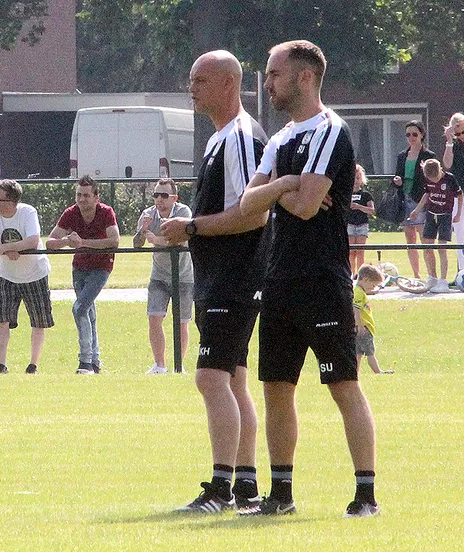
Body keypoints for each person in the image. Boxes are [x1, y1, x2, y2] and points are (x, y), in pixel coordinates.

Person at [239, 40, 379, 518]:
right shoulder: (280, 138)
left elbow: (304, 206)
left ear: (304, 77)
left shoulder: (330, 129)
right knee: (276, 387)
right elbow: (248, 204)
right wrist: (285, 183)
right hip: (278, 280)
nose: (268, 83)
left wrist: (280, 191)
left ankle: (366, 495)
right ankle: (280, 496)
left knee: (343, 384)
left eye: (274, 74)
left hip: (322, 281)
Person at [160, 50, 267, 515]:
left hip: (234, 277)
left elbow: (252, 213)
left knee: (209, 378)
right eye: (190, 79)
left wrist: (192, 227)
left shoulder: (240, 136)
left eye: (200, 80)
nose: (191, 88)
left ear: (228, 84)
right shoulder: (219, 138)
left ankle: (220, 490)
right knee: (234, 380)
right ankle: (246, 487)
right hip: (218, 276)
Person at [0, 179, 53, 375]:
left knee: (38, 321)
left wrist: (4, 248)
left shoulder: (28, 212)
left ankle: (33, 366)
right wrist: (4, 249)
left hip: (35, 273)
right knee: (2, 319)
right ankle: (1, 365)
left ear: (10, 202)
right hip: (7, 275)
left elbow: (33, 241)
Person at [46, 175, 119, 374]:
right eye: (79, 195)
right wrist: (66, 241)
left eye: (86, 195)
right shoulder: (70, 213)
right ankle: (95, 362)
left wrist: (82, 243)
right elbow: (50, 242)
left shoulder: (106, 212)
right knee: (88, 312)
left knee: (79, 308)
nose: (81, 199)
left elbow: (114, 240)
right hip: (79, 267)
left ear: (96, 197)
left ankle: (85, 361)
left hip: (101, 266)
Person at [133, 178, 193, 375]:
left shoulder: (183, 213)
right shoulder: (148, 214)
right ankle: (159, 365)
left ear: (174, 198)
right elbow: (136, 244)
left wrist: (157, 240)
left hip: (183, 275)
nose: (159, 199)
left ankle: (178, 366)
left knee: (182, 322)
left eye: (164, 195)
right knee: (154, 318)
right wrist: (142, 231)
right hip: (158, 275)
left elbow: (182, 240)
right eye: (156, 195)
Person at [408, 159, 462, 292]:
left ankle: (443, 281)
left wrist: (458, 214)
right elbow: (427, 194)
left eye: (436, 178)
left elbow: (460, 195)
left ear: (440, 170)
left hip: (445, 215)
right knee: (427, 246)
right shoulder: (427, 179)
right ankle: (432, 277)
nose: (434, 181)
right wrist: (416, 210)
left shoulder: (449, 179)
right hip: (431, 214)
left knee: (442, 247)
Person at [393, 120, 436, 278]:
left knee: (426, 239)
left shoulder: (428, 156)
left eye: (414, 134)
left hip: (421, 199)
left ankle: (432, 276)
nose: (411, 137)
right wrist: (397, 181)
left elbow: (433, 178)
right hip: (405, 199)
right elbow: (397, 176)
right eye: (408, 135)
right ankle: (416, 276)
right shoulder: (402, 156)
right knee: (410, 239)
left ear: (422, 135)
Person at [353, 264, 393, 375]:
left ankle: (354, 373)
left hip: (362, 327)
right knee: (370, 352)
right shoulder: (358, 293)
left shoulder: (359, 291)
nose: (374, 287)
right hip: (364, 328)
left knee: (358, 353)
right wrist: (360, 326)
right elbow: (356, 310)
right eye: (373, 284)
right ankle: (378, 372)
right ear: (365, 279)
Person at [442, 112, 464, 272]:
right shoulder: (454, 145)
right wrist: (449, 141)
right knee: (460, 234)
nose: (461, 136)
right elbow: (447, 164)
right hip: (458, 193)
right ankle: (462, 272)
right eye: (458, 134)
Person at [348, 164, 375, 276]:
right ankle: (350, 274)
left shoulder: (366, 195)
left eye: (358, 178)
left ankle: (360, 275)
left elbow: (371, 210)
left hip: (362, 225)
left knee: (360, 252)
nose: (355, 181)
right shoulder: (346, 194)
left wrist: (359, 207)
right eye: (353, 178)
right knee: (351, 252)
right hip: (349, 224)